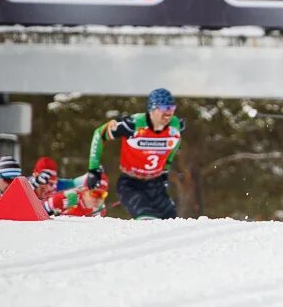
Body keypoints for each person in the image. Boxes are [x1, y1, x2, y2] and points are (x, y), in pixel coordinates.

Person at [86, 88, 183, 220]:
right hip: (131, 184)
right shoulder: (132, 124)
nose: (168, 113)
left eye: (172, 108)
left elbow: (173, 145)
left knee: (173, 223)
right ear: (152, 109)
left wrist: (165, 170)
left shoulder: (175, 125)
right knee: (147, 219)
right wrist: (93, 168)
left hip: (156, 184)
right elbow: (99, 134)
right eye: (164, 108)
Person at [43, 172, 108, 217]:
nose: (98, 199)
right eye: (95, 193)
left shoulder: (100, 210)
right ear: (85, 190)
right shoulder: (64, 199)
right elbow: (38, 213)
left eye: (102, 194)